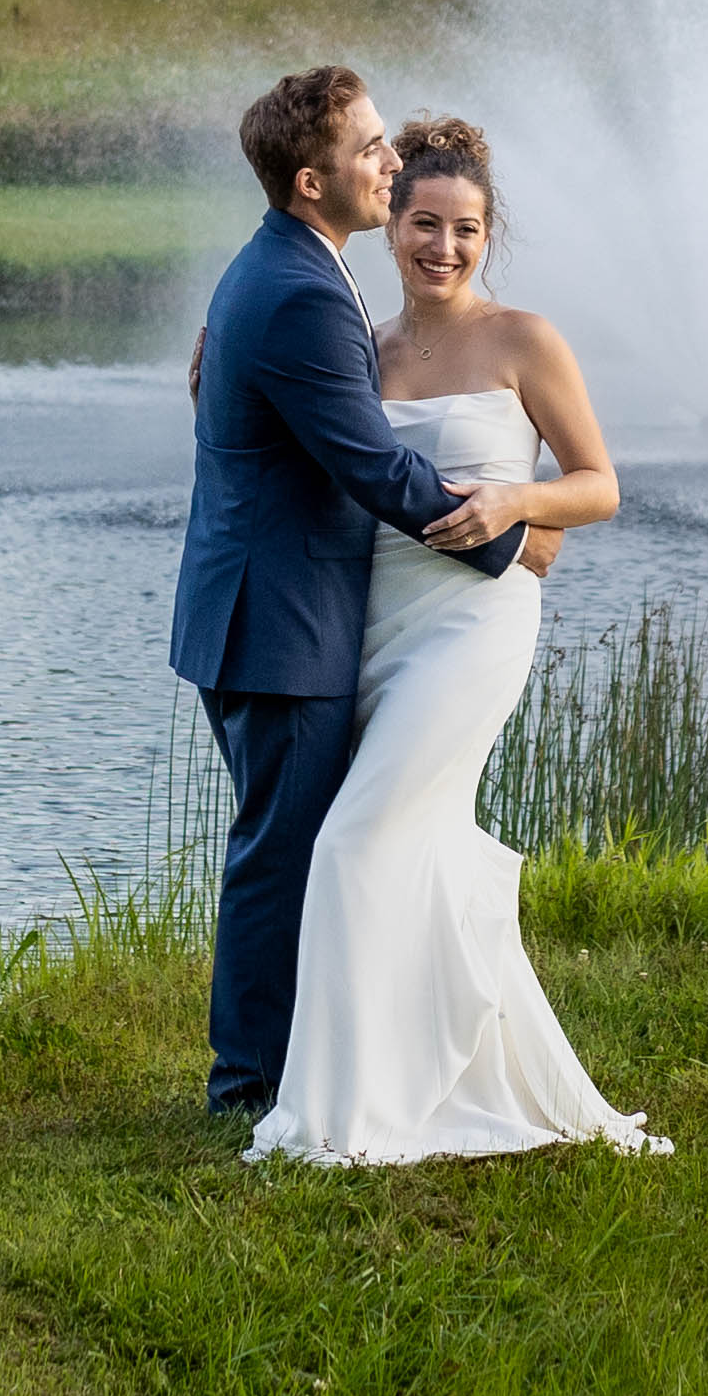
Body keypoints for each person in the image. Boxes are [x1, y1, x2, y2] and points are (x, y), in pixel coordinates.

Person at [251, 113, 664, 1167]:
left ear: (490, 236)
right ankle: (453, 1070)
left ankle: (337, 1117)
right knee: (410, 850)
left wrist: (515, 508)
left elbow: (600, 486)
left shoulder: (525, 340)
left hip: (475, 627)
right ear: (390, 221)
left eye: (466, 229)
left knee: (351, 844)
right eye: (423, 222)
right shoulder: (364, 347)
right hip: (378, 623)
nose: (442, 246)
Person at [170, 66, 539, 1121]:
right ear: (308, 180)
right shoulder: (296, 287)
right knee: (284, 859)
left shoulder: (292, 266)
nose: (389, 160)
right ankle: (249, 1088)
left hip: (267, 610)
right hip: (281, 624)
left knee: (295, 850)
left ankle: (299, 1066)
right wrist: (507, 539)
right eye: (369, 149)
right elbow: (371, 465)